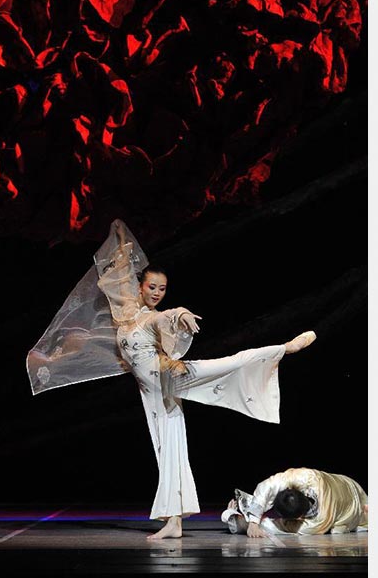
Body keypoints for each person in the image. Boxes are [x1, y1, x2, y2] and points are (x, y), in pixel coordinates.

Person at [27, 219, 316, 539]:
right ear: (140, 287)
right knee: (168, 451)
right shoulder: (126, 313)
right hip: (152, 393)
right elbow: (120, 272)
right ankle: (174, 522)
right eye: (152, 287)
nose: (156, 293)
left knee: (228, 364)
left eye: (162, 289)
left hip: (169, 378)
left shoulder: (152, 318)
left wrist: (180, 314)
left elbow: (167, 316)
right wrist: (120, 235)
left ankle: (284, 349)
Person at [221, 468, 368, 537]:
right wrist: (254, 520)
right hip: (351, 486)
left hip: (355, 510)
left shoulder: (315, 524)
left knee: (338, 529)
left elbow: (270, 527)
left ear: (298, 518)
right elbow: (269, 485)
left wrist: (233, 518)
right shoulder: (308, 476)